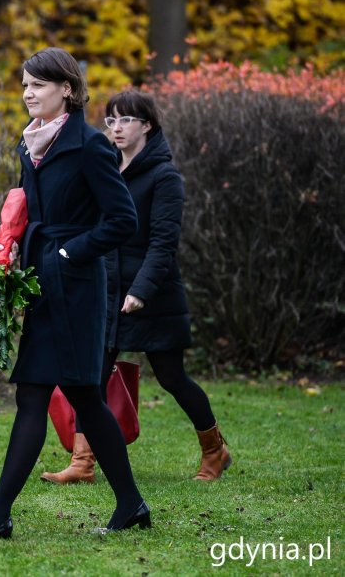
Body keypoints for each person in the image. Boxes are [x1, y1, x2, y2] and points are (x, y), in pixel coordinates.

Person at [0, 48, 148, 540]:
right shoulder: (29, 146)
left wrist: (69, 254)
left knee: (75, 396)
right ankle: (129, 504)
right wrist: (4, 256)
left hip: (81, 289)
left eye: (37, 86)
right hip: (43, 287)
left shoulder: (89, 145)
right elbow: (27, 210)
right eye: (24, 85)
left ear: (66, 88)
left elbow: (123, 220)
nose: (27, 94)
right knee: (61, 397)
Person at [40, 89, 231, 485]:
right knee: (90, 375)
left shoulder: (165, 177)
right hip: (105, 290)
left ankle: (215, 449)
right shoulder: (104, 166)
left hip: (153, 293)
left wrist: (141, 290)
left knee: (172, 376)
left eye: (126, 120)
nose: (116, 128)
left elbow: (164, 243)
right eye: (110, 120)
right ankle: (83, 462)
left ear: (147, 125)